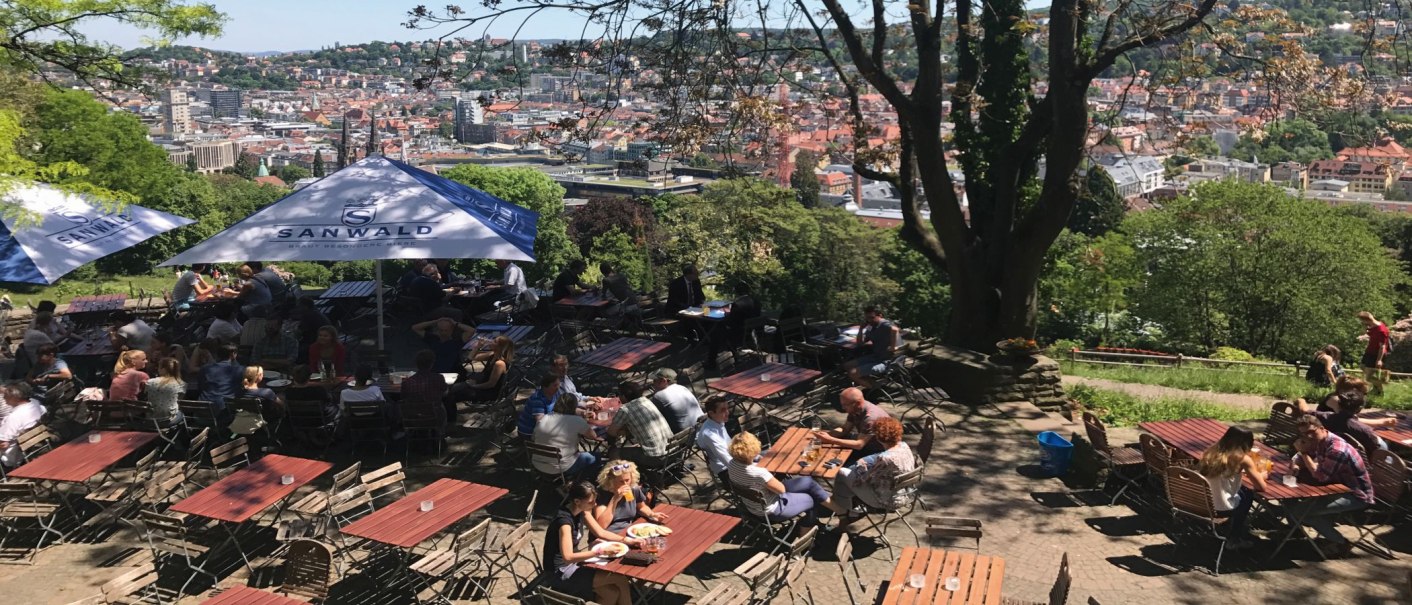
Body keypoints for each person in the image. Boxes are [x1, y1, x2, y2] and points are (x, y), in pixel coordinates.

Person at [1289, 415, 1375, 557]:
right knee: (1291, 498)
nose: (1308, 436)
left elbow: (1321, 476)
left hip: (1356, 495)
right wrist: (1295, 465)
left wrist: (1304, 453)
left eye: (1311, 432)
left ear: (1322, 428)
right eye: (1304, 434)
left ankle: (1340, 543)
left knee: (1302, 512)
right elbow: (1298, 456)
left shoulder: (1336, 449)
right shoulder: (1318, 440)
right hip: (1335, 488)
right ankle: (1294, 531)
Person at [541, 481, 637, 605]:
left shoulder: (582, 510)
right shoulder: (564, 523)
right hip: (559, 572)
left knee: (611, 593)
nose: (595, 504)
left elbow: (600, 532)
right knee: (621, 579)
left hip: (574, 564)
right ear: (577, 501)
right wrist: (598, 552)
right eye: (591, 502)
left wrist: (626, 540)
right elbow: (568, 557)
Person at [727, 432, 834, 532]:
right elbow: (781, 490)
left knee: (806, 481)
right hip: (773, 511)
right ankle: (807, 534)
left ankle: (824, 514)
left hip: (752, 506)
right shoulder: (759, 472)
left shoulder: (731, 464)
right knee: (811, 498)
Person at [828, 417, 917, 532]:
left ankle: (843, 514)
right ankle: (850, 510)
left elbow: (865, 480)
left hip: (885, 499)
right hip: (905, 493)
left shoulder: (885, 458)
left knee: (843, 473)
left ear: (878, 438)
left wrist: (858, 468)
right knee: (847, 479)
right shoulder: (904, 446)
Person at [1195, 426, 1268, 549]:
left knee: (1242, 491)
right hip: (1220, 508)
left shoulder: (1211, 452)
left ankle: (1230, 526)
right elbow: (1261, 487)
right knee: (1248, 494)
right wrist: (1262, 475)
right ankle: (1234, 538)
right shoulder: (1243, 459)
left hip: (1201, 503)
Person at [534, 393, 602, 480]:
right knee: (595, 457)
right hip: (562, 467)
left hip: (538, 464)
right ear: (574, 407)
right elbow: (593, 435)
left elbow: (534, 437)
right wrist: (584, 422)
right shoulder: (576, 420)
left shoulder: (544, 418)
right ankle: (581, 482)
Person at [814, 387, 893, 460]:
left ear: (857, 403)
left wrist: (830, 439)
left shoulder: (870, 418)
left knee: (835, 459)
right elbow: (845, 429)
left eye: (845, 405)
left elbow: (859, 445)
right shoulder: (855, 409)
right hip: (866, 443)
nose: (843, 408)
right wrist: (826, 435)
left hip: (879, 451)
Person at [594, 459, 669, 532]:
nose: (625, 484)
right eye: (621, 481)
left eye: (627, 480)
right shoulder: (602, 493)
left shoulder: (633, 489)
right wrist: (615, 499)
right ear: (611, 481)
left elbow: (641, 507)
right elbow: (601, 526)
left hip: (628, 530)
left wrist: (652, 514)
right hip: (609, 533)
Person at [607, 380, 673, 463]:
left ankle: (619, 474)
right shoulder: (646, 401)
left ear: (623, 396)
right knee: (635, 446)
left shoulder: (625, 409)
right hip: (673, 452)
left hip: (657, 458)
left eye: (619, 395)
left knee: (613, 452)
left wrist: (612, 443)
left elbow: (611, 432)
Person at [1308, 387, 1388, 454]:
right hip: (1359, 463)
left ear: (1339, 404)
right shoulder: (1365, 430)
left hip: (1332, 454)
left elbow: (1304, 410)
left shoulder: (1324, 417)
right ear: (1360, 408)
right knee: (1383, 444)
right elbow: (1378, 452)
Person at [845, 306, 900, 388]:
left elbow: (895, 329)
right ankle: (870, 382)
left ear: (880, 316)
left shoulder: (884, 324)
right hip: (876, 356)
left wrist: (893, 346)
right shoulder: (871, 326)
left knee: (852, 373)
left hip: (887, 361)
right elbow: (860, 343)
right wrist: (861, 329)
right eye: (867, 318)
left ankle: (876, 389)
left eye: (872, 317)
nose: (869, 320)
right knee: (847, 365)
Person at [453, 335, 512, 404]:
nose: (491, 342)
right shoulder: (492, 354)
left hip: (488, 393)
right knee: (452, 389)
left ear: (500, 347)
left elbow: (491, 384)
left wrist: (474, 386)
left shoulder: (499, 364)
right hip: (481, 386)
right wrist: (478, 346)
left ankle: (448, 413)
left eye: (495, 341)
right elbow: (471, 357)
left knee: (454, 394)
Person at [0, 383, 46, 467]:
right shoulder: (34, 402)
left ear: (15, 398)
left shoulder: (14, 417)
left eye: (6, 395)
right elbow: (44, 410)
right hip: (37, 443)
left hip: (13, 457)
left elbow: (3, 443)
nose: (3, 397)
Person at [649, 368, 702, 433]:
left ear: (663, 381)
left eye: (655, 380)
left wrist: (655, 392)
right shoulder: (681, 387)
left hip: (688, 436)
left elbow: (654, 416)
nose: (653, 383)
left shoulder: (659, 396)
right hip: (702, 426)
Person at [695, 396, 733, 487]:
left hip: (735, 462)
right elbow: (728, 461)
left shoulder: (718, 421)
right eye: (723, 410)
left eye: (727, 409)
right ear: (711, 413)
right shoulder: (709, 435)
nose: (727, 413)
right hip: (727, 472)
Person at [402, 350, 451, 419]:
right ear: (432, 364)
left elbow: (404, 397)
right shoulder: (438, 378)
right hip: (435, 417)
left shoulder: (407, 382)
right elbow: (445, 393)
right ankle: (449, 424)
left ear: (416, 363)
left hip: (414, 418)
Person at [199, 344, 245, 417]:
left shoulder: (205, 369)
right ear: (233, 354)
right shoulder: (239, 370)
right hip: (225, 411)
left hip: (203, 410)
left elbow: (201, 387)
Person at [517, 373, 561, 440]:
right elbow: (541, 422)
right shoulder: (538, 399)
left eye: (558, 384)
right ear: (545, 386)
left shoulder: (555, 393)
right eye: (555, 385)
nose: (558, 388)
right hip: (529, 432)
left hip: (545, 427)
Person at [144, 357, 185, 427]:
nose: (157, 369)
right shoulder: (181, 384)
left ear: (163, 369)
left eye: (159, 367)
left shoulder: (150, 382)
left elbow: (146, 394)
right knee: (181, 413)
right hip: (168, 420)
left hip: (150, 419)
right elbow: (179, 401)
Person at [1358, 311, 1392, 396]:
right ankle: (1377, 389)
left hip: (1376, 353)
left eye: (1362, 321)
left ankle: (1380, 391)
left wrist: (1379, 360)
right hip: (1369, 351)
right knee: (1362, 367)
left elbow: (1382, 346)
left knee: (1369, 377)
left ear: (1366, 320)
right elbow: (1368, 333)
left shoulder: (1381, 330)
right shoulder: (1372, 326)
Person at [293, 297, 330, 363]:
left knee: (294, 349)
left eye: (299, 306)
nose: (298, 308)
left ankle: (300, 365)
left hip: (318, 342)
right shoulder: (315, 311)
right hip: (327, 338)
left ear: (305, 306)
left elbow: (298, 333)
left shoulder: (307, 315)